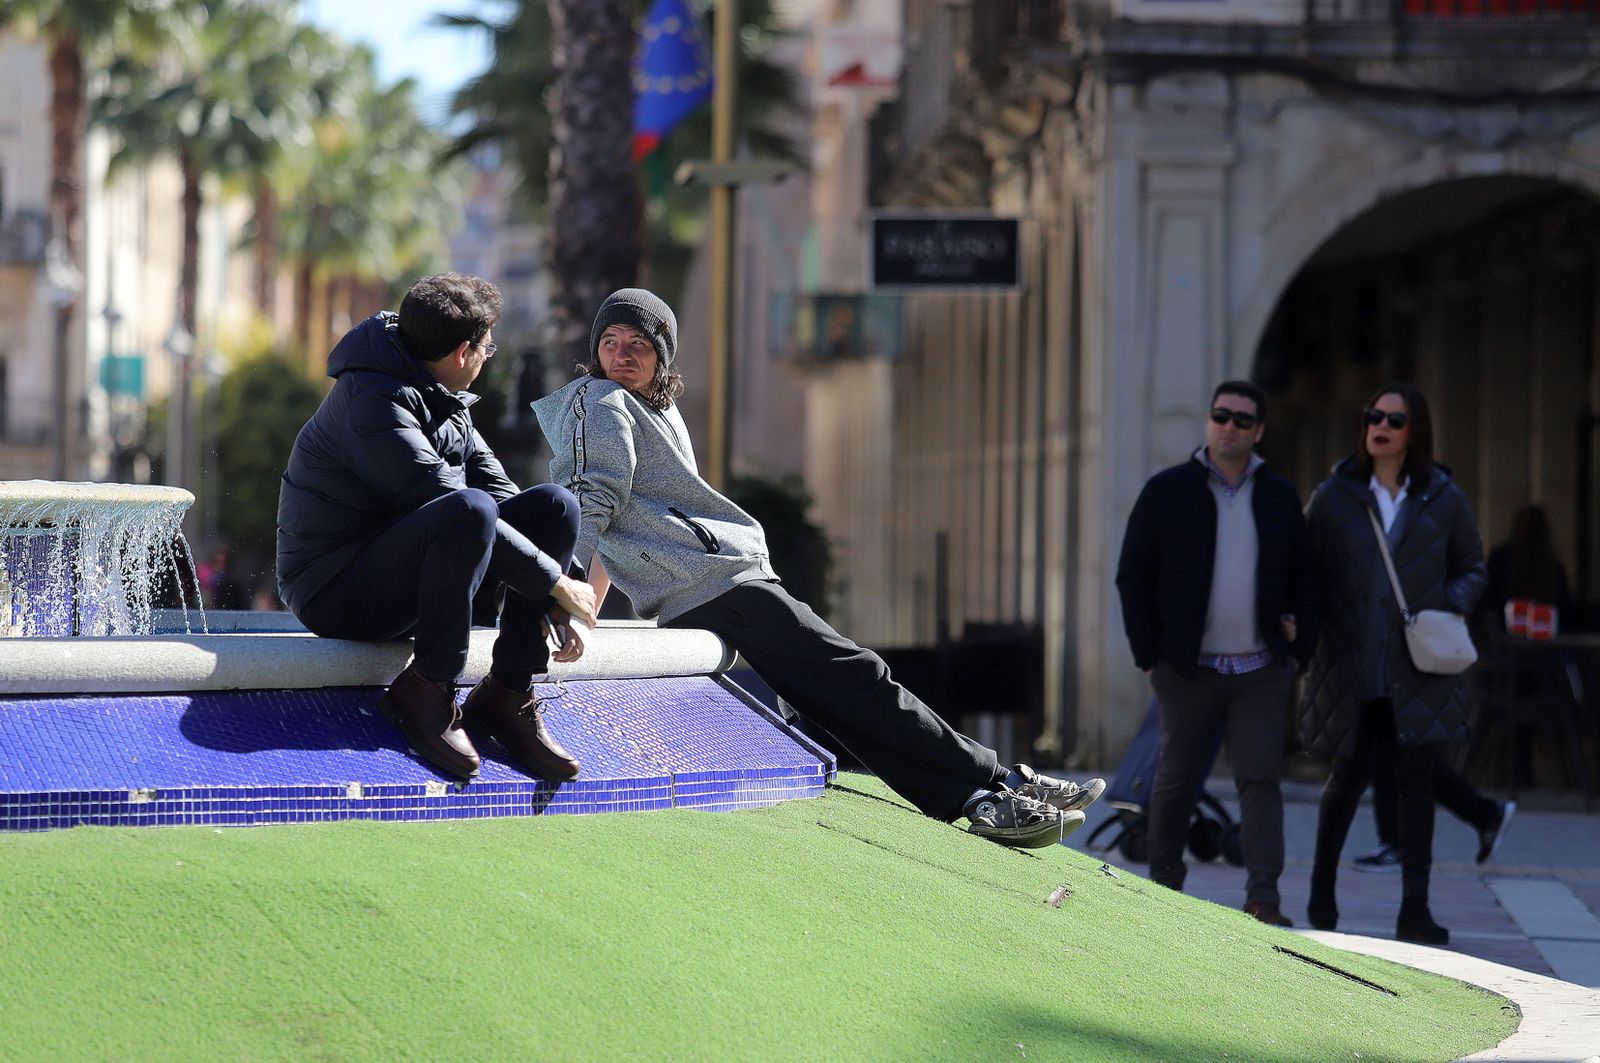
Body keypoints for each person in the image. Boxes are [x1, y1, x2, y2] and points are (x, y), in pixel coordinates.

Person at [531, 288, 1104, 848]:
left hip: (718, 579)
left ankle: (986, 790)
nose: (622, 355)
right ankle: (993, 789)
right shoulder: (598, 402)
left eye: (638, 343)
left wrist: (589, 604)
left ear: (663, 356)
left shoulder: (651, 407)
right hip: (710, 585)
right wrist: (565, 590)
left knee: (838, 690)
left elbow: (623, 517)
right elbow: (591, 498)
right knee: (855, 676)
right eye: (610, 341)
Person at [276, 273, 597, 783]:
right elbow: (449, 503)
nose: (487, 358)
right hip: (335, 591)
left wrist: (562, 593)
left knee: (554, 507)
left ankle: (508, 692)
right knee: (467, 509)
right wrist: (554, 583)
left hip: (409, 572)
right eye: (488, 349)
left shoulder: (439, 393)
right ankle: (426, 687)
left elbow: (505, 496)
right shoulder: (372, 402)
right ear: (463, 353)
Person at [1114, 380, 1315, 927]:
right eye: (1221, 415)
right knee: (1176, 778)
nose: (1229, 427)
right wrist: (1149, 656)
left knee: (1259, 778)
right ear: (1208, 421)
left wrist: (1297, 653)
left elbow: (1306, 575)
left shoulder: (1277, 497)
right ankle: (1164, 889)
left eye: (1242, 420)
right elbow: (1133, 574)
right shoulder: (1168, 491)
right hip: (1187, 670)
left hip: (1259, 669)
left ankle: (1264, 899)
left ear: (1259, 431)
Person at [1299, 383, 1487, 945]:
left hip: (1418, 669)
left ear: (1415, 431)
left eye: (1394, 420)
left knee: (1416, 786)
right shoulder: (1335, 496)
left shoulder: (1443, 498)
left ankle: (1415, 910)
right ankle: (1321, 892)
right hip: (1351, 666)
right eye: (1373, 416)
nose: (1380, 426)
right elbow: (1305, 569)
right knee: (1345, 780)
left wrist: (1444, 606)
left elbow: (1472, 567)